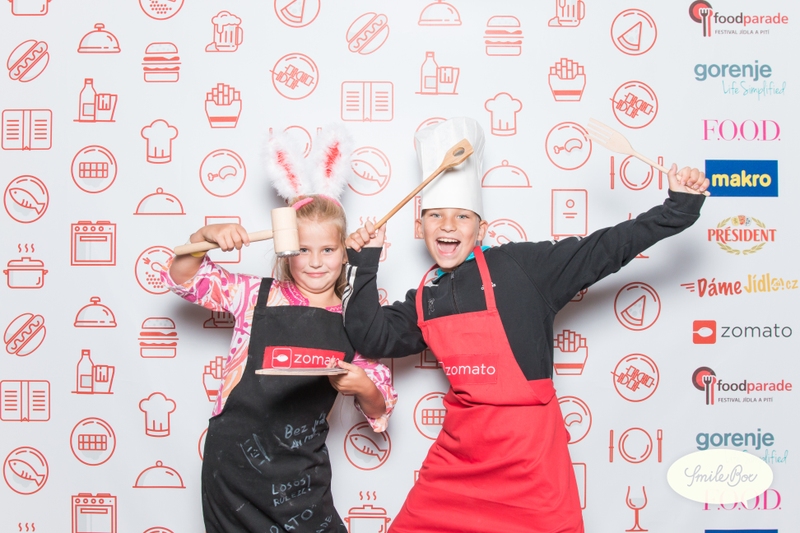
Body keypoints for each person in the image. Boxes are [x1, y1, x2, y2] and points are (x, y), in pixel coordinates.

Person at [343, 117, 709, 533]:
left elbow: (604, 249)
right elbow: (372, 336)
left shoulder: (524, 268)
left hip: (531, 461)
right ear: (419, 227)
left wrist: (677, 208)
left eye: (462, 216)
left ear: (482, 229)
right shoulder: (426, 296)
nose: (447, 225)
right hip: (459, 463)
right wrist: (363, 263)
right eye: (436, 216)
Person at [163, 127, 396, 533]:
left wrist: (362, 386)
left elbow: (379, 409)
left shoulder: (355, 317)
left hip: (300, 474)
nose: (316, 262)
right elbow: (184, 278)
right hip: (232, 468)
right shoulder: (253, 295)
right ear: (286, 250)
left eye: (328, 250)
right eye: (303, 249)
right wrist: (204, 239)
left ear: (345, 251)